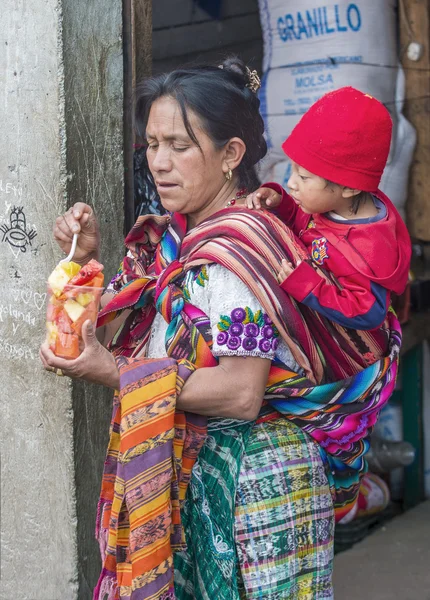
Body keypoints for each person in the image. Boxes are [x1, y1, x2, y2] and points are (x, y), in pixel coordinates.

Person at [40, 60, 401, 600]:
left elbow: (240, 392)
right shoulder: (186, 239)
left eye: (180, 146)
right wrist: (85, 260)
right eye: (152, 144)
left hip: (256, 495)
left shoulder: (239, 255)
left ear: (231, 154)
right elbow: (144, 324)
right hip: (209, 479)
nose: (159, 163)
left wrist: (113, 372)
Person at [247, 87, 411, 331]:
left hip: (348, 360)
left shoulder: (369, 250)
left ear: (348, 188)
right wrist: (282, 203)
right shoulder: (331, 204)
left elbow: (368, 313)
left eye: (303, 177)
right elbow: (305, 222)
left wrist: (308, 286)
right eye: (293, 170)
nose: (291, 183)